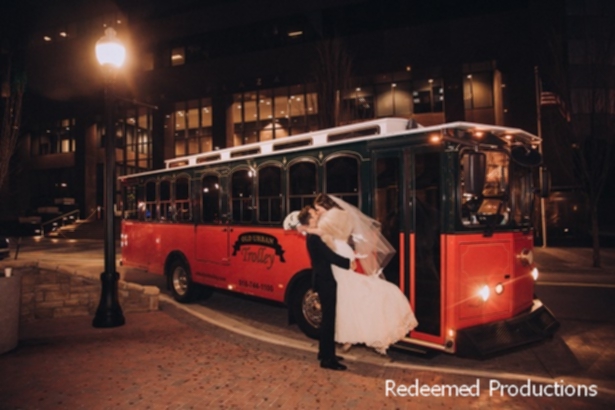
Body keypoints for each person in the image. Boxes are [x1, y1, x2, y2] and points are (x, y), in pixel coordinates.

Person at [307, 193, 419, 356]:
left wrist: (306, 228)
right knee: (349, 301)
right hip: (340, 258)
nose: (317, 212)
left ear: (326, 206)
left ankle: (347, 339)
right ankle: (345, 340)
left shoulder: (329, 220)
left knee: (348, 301)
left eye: (318, 209)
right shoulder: (341, 217)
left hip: (339, 259)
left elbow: (325, 239)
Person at [297, 205, 356, 371]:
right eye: (314, 214)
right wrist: (348, 263)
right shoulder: (314, 237)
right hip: (325, 280)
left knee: (327, 319)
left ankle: (325, 352)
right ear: (310, 219)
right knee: (328, 320)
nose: (317, 215)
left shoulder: (313, 235)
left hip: (322, 279)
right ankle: (328, 360)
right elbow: (329, 256)